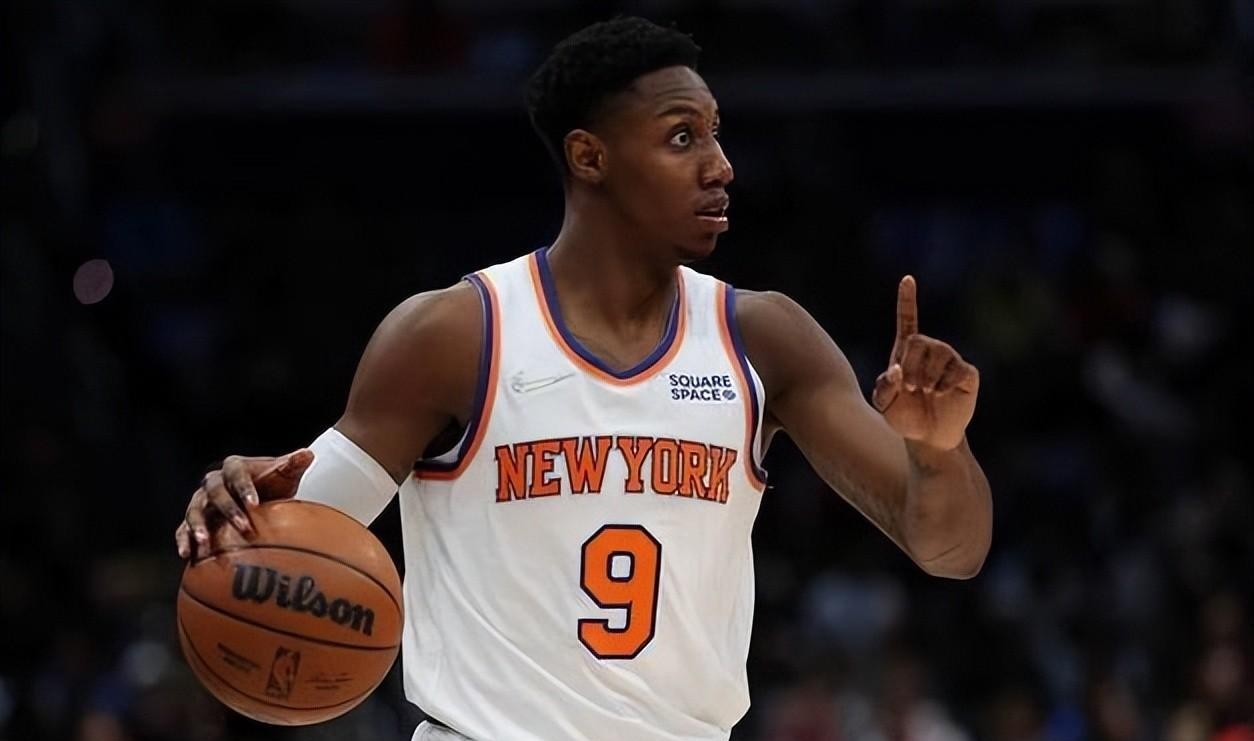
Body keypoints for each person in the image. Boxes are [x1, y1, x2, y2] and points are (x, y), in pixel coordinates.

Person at [174, 16, 992, 741]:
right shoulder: (455, 336)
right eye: (683, 138)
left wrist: (939, 449)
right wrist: (238, 511)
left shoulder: (763, 338)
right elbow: (295, 536)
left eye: (716, 134)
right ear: (589, 155)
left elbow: (950, 548)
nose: (721, 166)